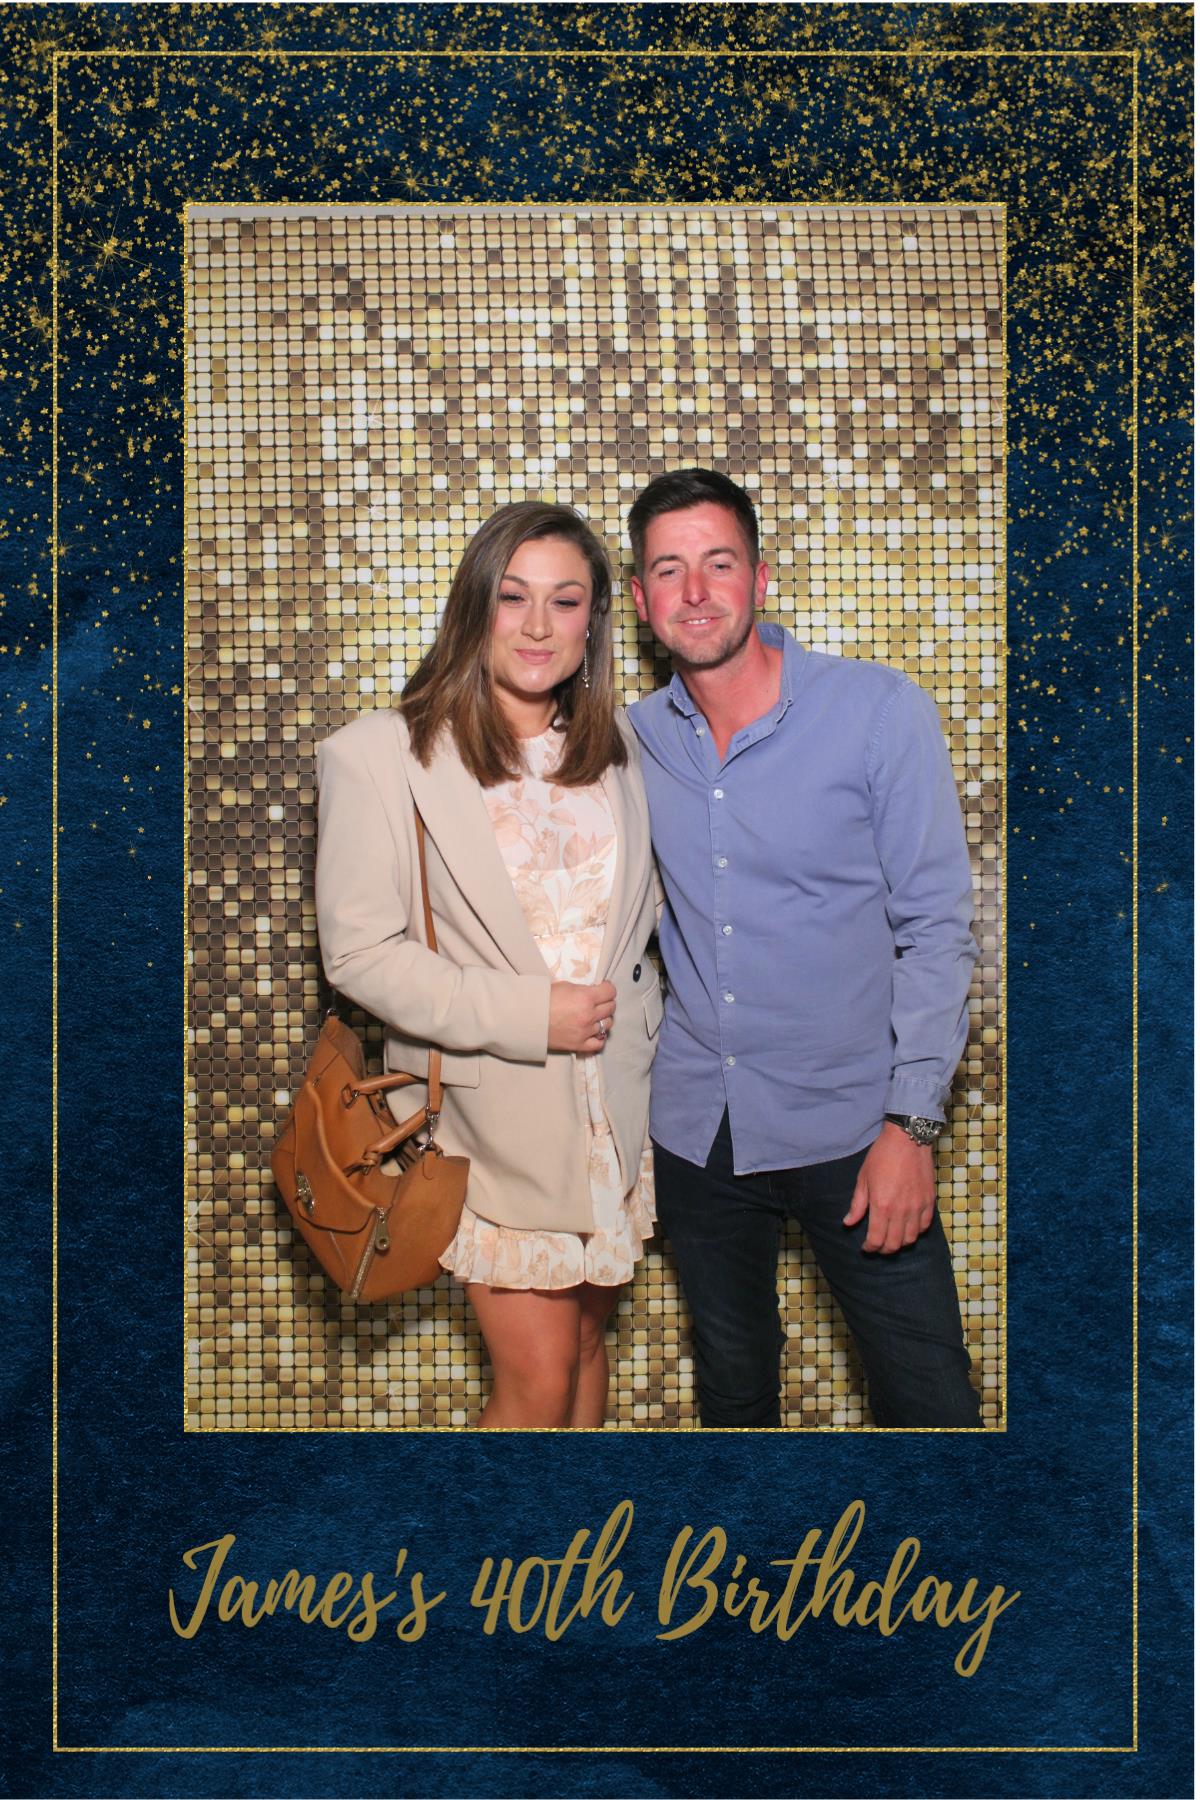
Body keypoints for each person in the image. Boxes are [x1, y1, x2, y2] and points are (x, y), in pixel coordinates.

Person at [627, 468, 981, 1430]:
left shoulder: (877, 712)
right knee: (734, 1394)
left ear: (761, 577)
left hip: (859, 1130)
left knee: (930, 1404)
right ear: (641, 601)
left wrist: (912, 1127)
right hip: (697, 1130)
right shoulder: (627, 744)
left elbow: (937, 927)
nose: (696, 591)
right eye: (669, 570)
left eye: (718, 563)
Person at [315, 503, 660, 1429]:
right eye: (513, 597)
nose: (538, 625)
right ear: (475, 605)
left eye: (565, 600)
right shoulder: (381, 755)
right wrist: (529, 1014)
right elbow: (358, 954)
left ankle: (580, 1535)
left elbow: (638, 930)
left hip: (611, 1114)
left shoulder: (622, 752)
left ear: (593, 623)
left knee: (584, 1354)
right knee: (535, 1383)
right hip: (488, 1117)